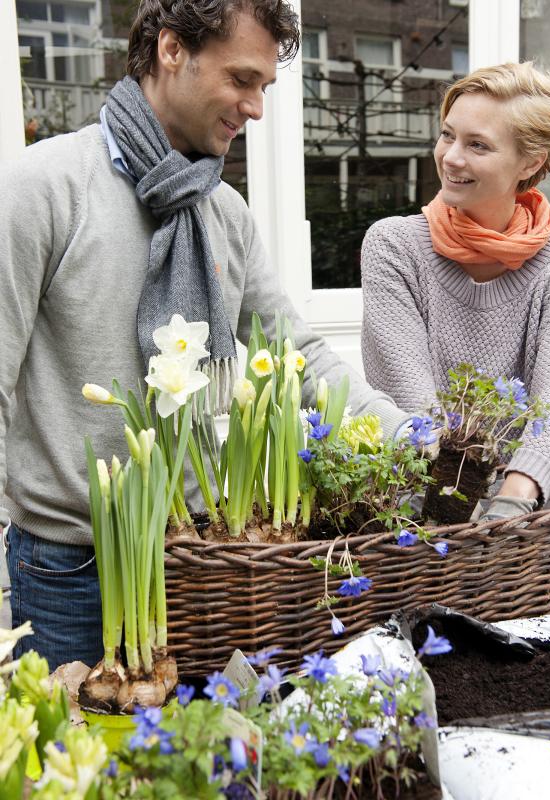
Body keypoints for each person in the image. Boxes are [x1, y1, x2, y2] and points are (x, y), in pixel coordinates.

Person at [0, 0, 410, 671]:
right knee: (87, 771)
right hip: (71, 569)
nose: (255, 108)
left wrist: (410, 443)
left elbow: (295, 352)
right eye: (241, 79)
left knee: (202, 762)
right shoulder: (43, 187)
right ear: (170, 51)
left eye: (264, 88)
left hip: (199, 562)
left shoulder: (222, 210)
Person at [361, 61, 550, 522]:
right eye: (448, 135)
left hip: (526, 511)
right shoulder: (393, 246)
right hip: (416, 501)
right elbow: (410, 398)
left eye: (478, 145)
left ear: (529, 163)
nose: (450, 157)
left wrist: (509, 505)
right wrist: (460, 508)